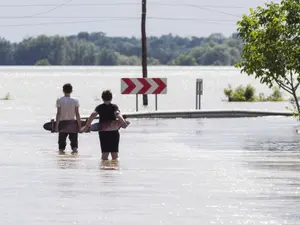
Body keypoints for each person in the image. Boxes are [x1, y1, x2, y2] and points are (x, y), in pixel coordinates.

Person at [82, 90, 127, 161]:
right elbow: (117, 114)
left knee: (104, 154)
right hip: (113, 132)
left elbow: (93, 114)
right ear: (111, 98)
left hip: (103, 132)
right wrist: (123, 123)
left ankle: (104, 169)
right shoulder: (114, 107)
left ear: (102, 98)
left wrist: (87, 126)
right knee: (114, 154)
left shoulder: (99, 107)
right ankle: (114, 169)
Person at [55, 83, 81, 154]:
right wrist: (80, 126)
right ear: (71, 91)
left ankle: (62, 161)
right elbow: (77, 114)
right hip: (72, 124)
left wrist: (56, 126)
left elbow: (58, 114)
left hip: (62, 124)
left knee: (61, 147)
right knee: (74, 147)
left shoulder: (59, 100)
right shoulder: (75, 100)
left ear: (63, 90)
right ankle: (74, 160)